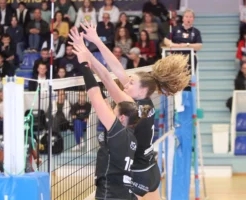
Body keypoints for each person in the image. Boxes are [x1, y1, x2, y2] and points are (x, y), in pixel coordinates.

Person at [69, 21, 190, 199]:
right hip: (150, 168)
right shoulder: (145, 100)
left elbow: (107, 79)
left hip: (138, 174)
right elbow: (116, 69)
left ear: (141, 90)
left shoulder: (133, 106)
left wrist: (88, 57)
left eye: (131, 82)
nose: (127, 84)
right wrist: (95, 42)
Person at [72, 45, 151, 199]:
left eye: (114, 111)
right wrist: (91, 65)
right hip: (124, 193)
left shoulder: (118, 132)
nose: (110, 111)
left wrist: (83, 65)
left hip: (110, 195)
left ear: (121, 118)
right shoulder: (130, 135)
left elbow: (95, 97)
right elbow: (105, 102)